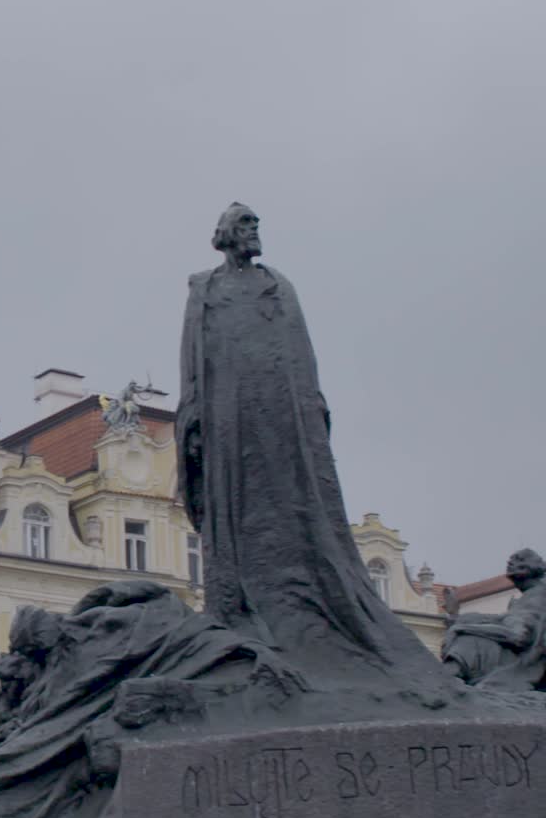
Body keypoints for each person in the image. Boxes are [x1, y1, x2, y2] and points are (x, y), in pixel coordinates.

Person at [176, 202, 445, 685]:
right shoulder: (204, 288)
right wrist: (193, 415)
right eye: (246, 224)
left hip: (281, 412)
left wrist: (311, 407)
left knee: (296, 501)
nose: (255, 230)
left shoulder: (278, 285)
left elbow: (301, 353)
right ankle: (242, 607)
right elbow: (192, 357)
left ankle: (308, 607)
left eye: (257, 223)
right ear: (225, 234)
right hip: (227, 413)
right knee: (234, 506)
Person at [442, 548, 546, 690]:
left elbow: (519, 636)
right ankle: (447, 680)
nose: (510, 564)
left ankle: (447, 681)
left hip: (521, 662)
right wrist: (457, 618)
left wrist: (461, 627)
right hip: (510, 653)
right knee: (467, 634)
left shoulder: (539, 596)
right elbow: (500, 620)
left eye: (518, 561)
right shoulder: (528, 597)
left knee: (468, 640)